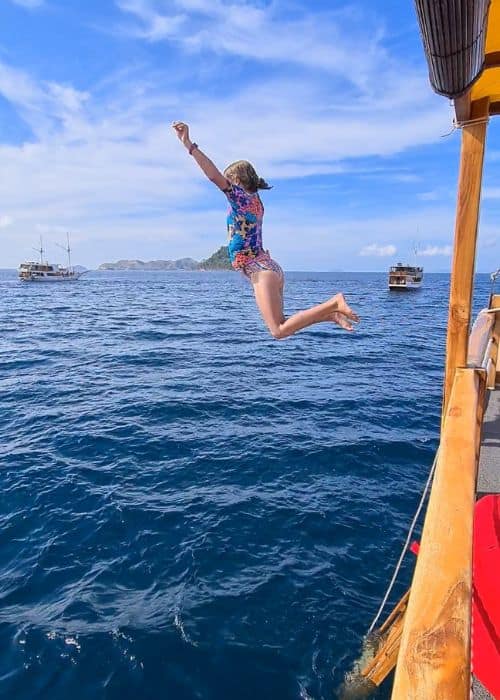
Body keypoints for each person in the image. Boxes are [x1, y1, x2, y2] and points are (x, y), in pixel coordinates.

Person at [172, 121, 360, 339]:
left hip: (261, 270)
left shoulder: (239, 197)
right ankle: (330, 315)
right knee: (283, 324)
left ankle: (334, 302)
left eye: (230, 181)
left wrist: (189, 145)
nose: (227, 186)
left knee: (278, 331)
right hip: (269, 267)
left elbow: (213, 175)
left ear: (238, 181)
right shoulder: (257, 201)